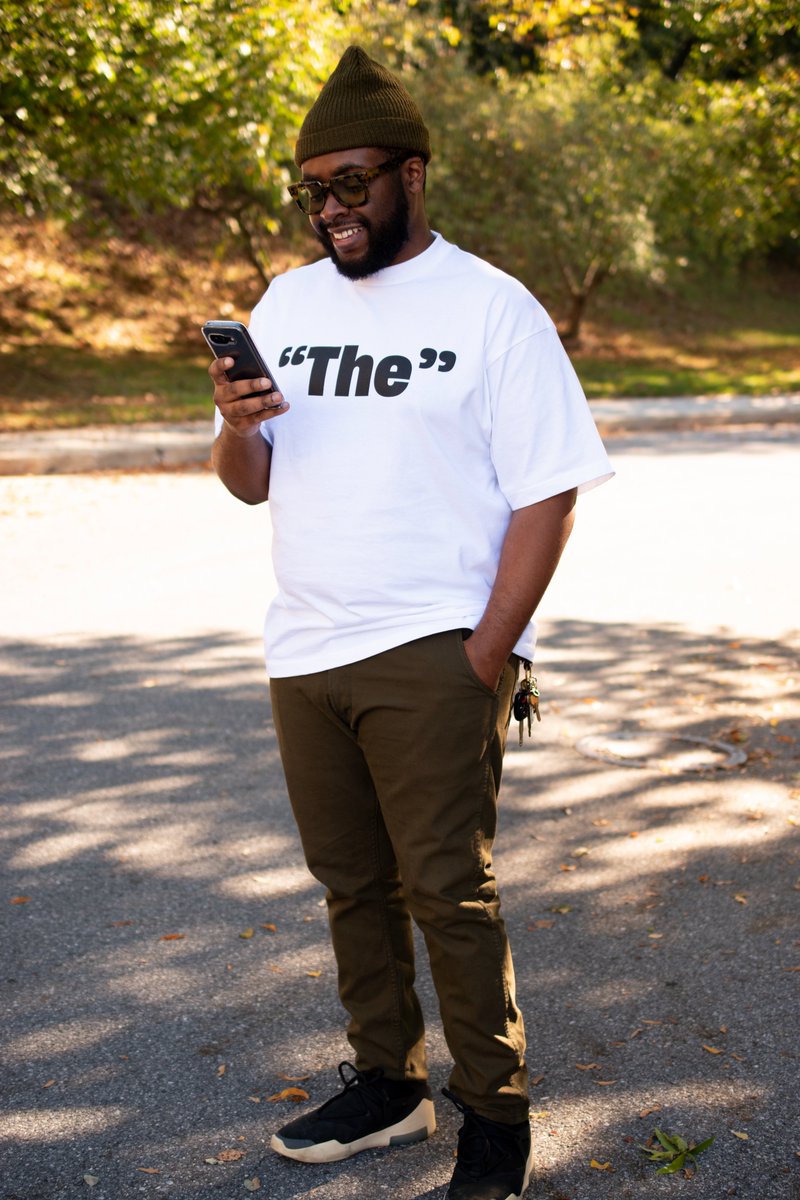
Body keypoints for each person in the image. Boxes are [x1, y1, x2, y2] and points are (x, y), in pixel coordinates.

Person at [209, 45, 613, 1200]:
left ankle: (495, 1114)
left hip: (433, 647)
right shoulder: (285, 303)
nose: (332, 208)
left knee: (448, 892)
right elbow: (251, 480)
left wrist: (487, 652)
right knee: (351, 887)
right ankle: (387, 1082)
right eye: (313, 190)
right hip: (305, 647)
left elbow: (548, 490)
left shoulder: (491, 308)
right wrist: (236, 422)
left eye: (352, 183)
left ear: (411, 176)